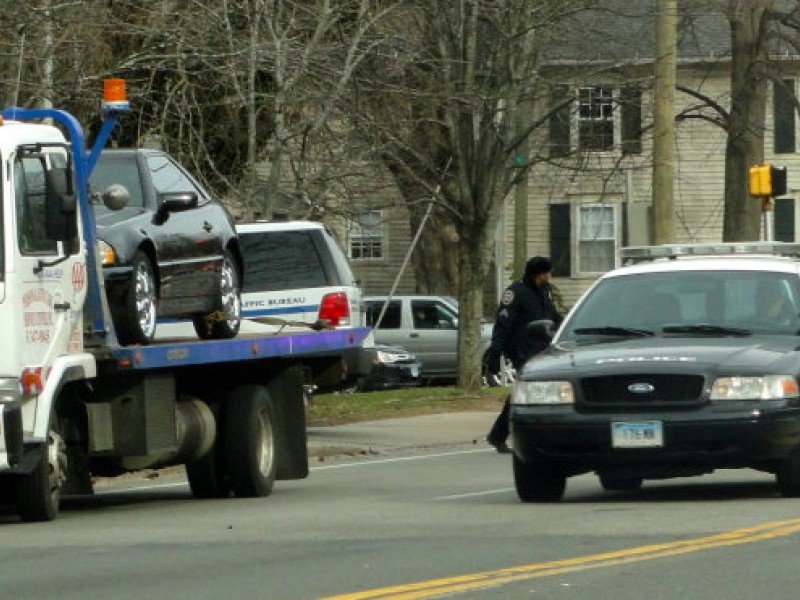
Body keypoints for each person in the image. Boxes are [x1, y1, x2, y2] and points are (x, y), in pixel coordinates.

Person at [485, 255, 563, 453]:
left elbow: (553, 316)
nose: (549, 276)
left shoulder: (544, 292)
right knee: (528, 391)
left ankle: (498, 435)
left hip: (541, 350)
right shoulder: (515, 293)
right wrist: (495, 354)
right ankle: (500, 435)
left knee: (527, 393)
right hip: (521, 351)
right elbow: (502, 325)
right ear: (537, 274)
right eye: (546, 273)